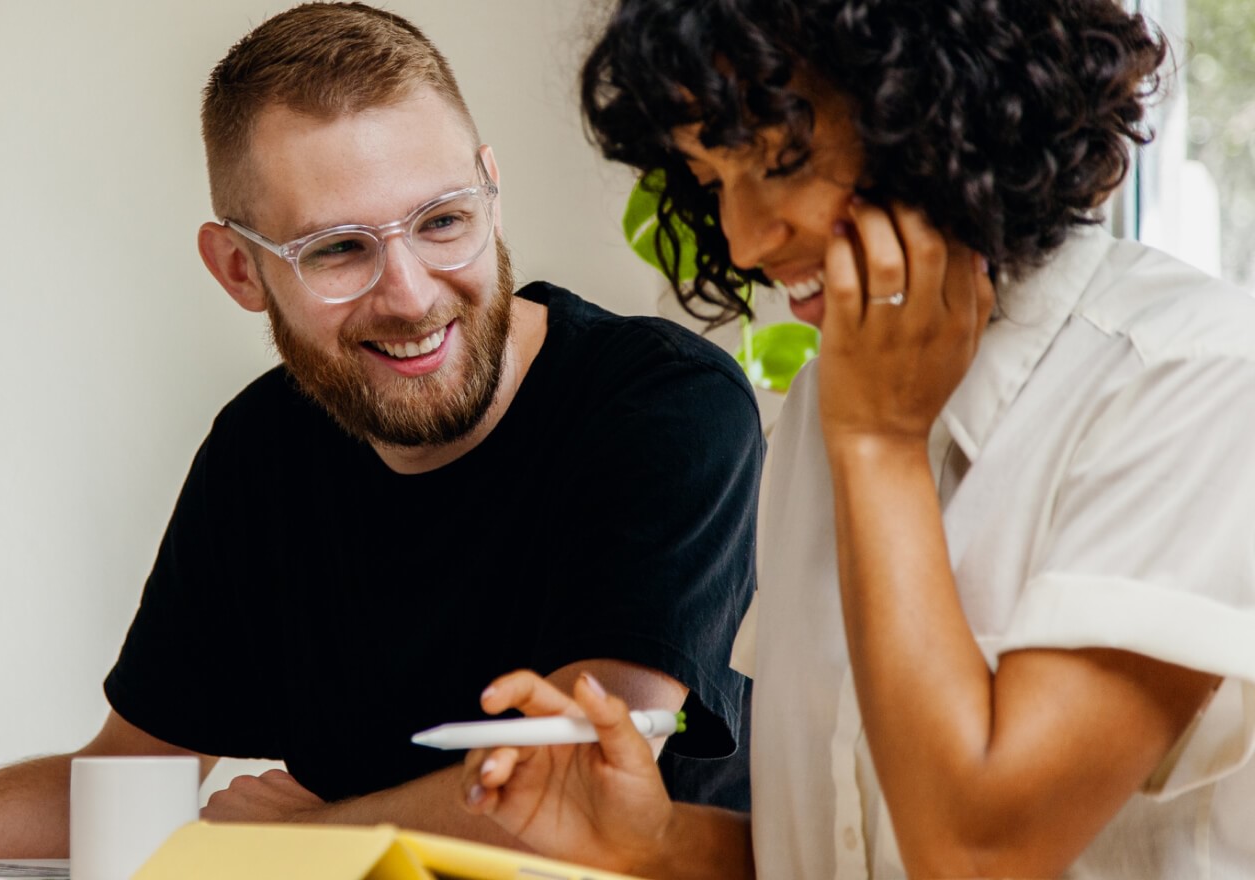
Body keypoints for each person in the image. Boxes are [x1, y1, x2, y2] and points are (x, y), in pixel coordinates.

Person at [0, 1, 764, 858]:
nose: (409, 293)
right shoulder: (259, 450)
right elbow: (128, 782)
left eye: (443, 221)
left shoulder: (666, 406)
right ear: (239, 270)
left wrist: (301, 838)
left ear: (491, 193)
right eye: (337, 249)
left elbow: (576, 779)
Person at [461, 0, 1255, 877]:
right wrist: (652, 842)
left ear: (940, 107)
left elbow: (974, 850)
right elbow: (844, 849)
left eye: (781, 161)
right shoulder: (827, 408)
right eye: (713, 179)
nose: (745, 238)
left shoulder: (1194, 375)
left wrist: (880, 448)